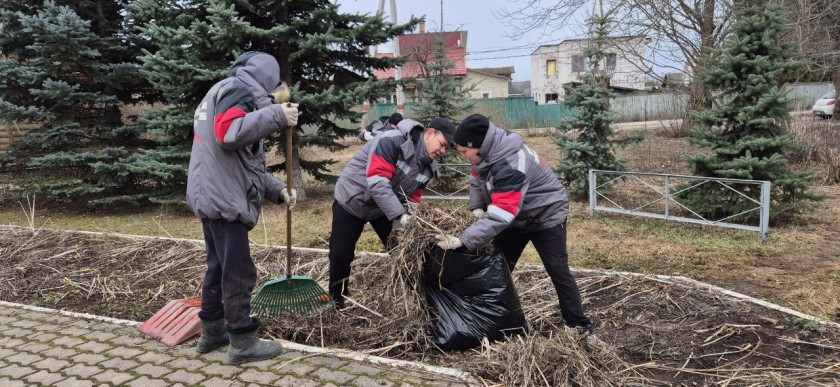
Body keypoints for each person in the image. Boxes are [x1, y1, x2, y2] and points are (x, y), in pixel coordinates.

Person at [186, 51, 299, 365]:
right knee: (238, 271)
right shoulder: (238, 91)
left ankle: (212, 332)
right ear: (264, 78)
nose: (275, 92)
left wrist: (277, 191)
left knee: (218, 267)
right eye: (273, 86)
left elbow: (242, 162)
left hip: (211, 193)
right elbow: (228, 133)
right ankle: (242, 341)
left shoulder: (221, 90)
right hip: (223, 197)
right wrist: (277, 116)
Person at [435, 113, 593, 333]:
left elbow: (502, 214)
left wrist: (463, 239)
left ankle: (577, 325)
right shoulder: (486, 153)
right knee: (498, 266)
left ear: (478, 145)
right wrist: (477, 207)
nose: (463, 156)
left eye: (464, 151)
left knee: (557, 269)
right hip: (516, 217)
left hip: (545, 214)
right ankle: (499, 321)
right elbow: (476, 177)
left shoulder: (511, 163)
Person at [330, 117, 456, 309]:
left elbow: (413, 197)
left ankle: (419, 298)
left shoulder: (429, 167)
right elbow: (377, 183)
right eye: (442, 145)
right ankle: (337, 299)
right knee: (341, 254)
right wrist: (400, 215)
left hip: (384, 208)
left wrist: (409, 220)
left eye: (446, 148)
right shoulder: (391, 141)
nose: (443, 151)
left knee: (403, 249)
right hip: (353, 199)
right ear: (430, 134)